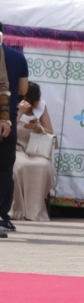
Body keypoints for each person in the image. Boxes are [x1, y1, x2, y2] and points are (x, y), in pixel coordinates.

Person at [0, 23, 29, 233]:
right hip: (7, 115)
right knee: (4, 167)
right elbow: (22, 89)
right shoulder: (17, 57)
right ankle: (2, 215)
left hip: (5, 115)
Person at [12, 82, 54, 221]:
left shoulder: (41, 107)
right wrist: (20, 112)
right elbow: (7, 128)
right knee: (20, 166)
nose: (36, 102)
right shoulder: (12, 106)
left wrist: (37, 128)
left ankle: (34, 211)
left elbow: (49, 131)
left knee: (42, 166)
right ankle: (17, 210)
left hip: (35, 150)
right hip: (16, 148)